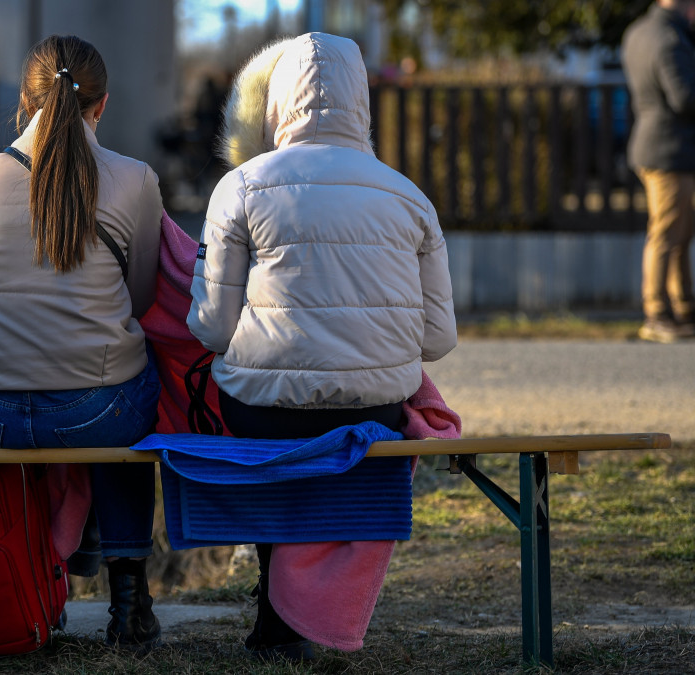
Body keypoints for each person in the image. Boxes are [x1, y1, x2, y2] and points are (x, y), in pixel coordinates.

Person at [186, 33, 457, 661]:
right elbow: (437, 341)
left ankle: (275, 615)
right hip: (372, 411)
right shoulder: (408, 196)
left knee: (258, 426)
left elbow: (212, 331)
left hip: (261, 411)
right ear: (360, 101)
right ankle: (313, 608)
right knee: (334, 432)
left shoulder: (242, 187)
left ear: (277, 100)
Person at [0, 35, 164, 652]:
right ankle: (128, 600)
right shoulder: (135, 180)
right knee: (135, 385)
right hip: (94, 413)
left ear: (23, 100)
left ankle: (40, 585)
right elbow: (141, 299)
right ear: (102, 105)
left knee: (86, 394)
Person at [622, 0, 695, 343]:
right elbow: (685, 98)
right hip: (670, 150)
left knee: (677, 231)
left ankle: (681, 308)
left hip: (651, 144)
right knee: (667, 234)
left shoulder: (637, 31)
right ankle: (657, 313)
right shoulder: (671, 39)